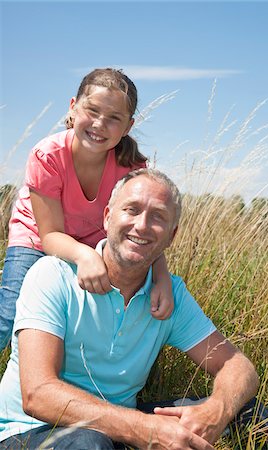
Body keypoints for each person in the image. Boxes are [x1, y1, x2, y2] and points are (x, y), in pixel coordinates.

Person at [0, 169, 268, 450]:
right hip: (30, 432)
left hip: (119, 432)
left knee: (249, 411)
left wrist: (216, 410)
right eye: (131, 210)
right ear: (107, 216)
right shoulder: (53, 275)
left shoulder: (170, 294)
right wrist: (145, 430)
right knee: (89, 442)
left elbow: (239, 367)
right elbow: (38, 394)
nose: (142, 225)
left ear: (172, 236)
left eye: (158, 216)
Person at [0, 68, 173, 351]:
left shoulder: (133, 169)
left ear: (127, 127)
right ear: (73, 108)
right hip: (37, 236)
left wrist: (162, 279)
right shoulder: (48, 155)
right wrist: (83, 256)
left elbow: (140, 234)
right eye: (92, 110)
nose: (99, 124)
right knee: (9, 319)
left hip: (94, 242)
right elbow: (51, 235)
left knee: (88, 317)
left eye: (114, 118)